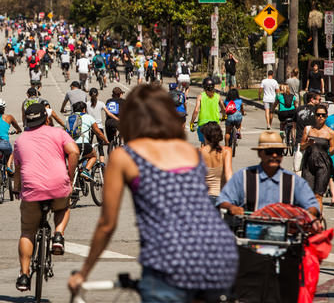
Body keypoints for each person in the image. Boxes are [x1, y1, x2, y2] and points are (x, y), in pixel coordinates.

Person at [68, 84, 238, 302]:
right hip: (219, 253)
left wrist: (83, 273)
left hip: (168, 261)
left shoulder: (125, 156)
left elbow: (107, 225)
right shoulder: (188, 151)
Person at [14, 103, 79, 291]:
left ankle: (24, 276)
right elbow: (74, 151)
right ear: (46, 118)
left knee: (27, 232)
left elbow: (17, 168)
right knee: (63, 207)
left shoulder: (20, 140)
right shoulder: (58, 133)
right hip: (58, 184)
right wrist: (69, 174)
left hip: (32, 190)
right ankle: (58, 235)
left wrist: (17, 187)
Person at [217, 131, 320, 219]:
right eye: (269, 152)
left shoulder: (294, 181)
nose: (274, 155)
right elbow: (223, 200)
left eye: (278, 152)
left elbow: (312, 205)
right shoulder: (243, 177)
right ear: (259, 153)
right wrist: (232, 208)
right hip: (249, 237)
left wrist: (308, 213)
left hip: (285, 239)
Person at [299, 104, 334, 212]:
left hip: (323, 165)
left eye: (323, 115)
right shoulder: (308, 129)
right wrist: (308, 144)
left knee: (318, 196)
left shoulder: (330, 132)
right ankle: (309, 219)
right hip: (308, 164)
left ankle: (318, 221)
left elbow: (331, 151)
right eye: (318, 114)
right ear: (314, 116)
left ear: (326, 116)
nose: (320, 117)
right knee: (308, 195)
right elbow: (301, 146)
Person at [66, 101, 109, 181]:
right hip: (83, 145)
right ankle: (85, 171)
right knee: (93, 156)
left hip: (70, 145)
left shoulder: (68, 118)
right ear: (84, 109)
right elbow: (98, 132)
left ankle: (74, 181)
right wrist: (106, 141)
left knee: (75, 161)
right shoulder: (88, 117)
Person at [200, 122, 233, 202]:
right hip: (220, 196)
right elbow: (228, 173)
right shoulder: (226, 151)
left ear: (205, 136)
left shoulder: (198, 152)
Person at [190, 77, 225, 146]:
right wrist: (224, 116)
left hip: (203, 123)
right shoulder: (218, 96)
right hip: (215, 123)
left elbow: (196, 110)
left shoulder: (200, 96)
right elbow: (223, 108)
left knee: (203, 144)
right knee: (215, 144)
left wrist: (192, 122)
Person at [86, 88, 117, 162]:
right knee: (100, 147)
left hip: (89, 128)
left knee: (88, 146)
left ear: (89, 95)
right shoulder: (101, 103)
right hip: (99, 127)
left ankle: (87, 164)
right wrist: (117, 119)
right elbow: (109, 113)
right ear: (98, 94)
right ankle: (102, 164)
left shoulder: (86, 104)